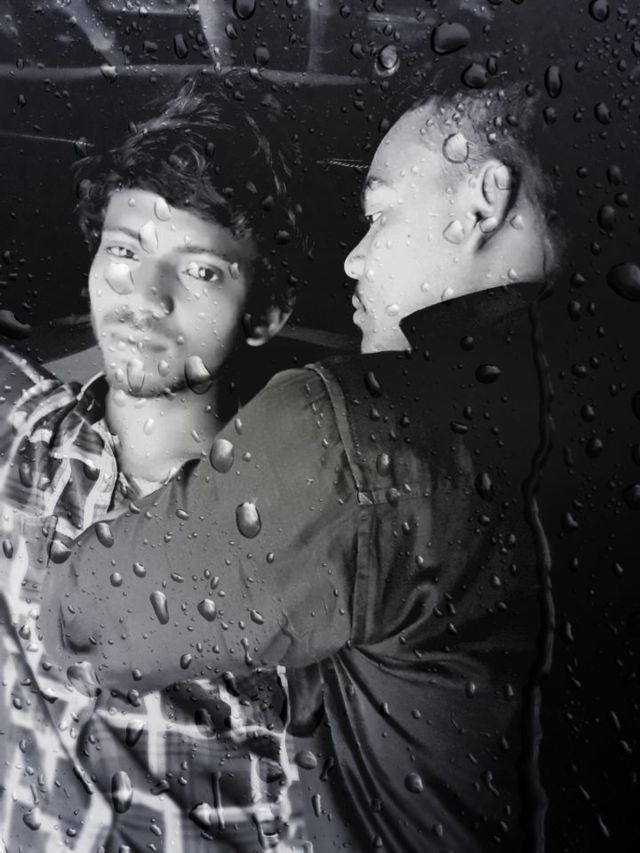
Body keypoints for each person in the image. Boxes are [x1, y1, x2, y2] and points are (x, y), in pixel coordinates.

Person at [42, 82, 561, 851]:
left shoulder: (352, 439)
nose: (357, 257)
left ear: (486, 199)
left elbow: (81, 615)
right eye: (123, 250)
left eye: (379, 214)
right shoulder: (578, 393)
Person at [0, 74, 309, 852]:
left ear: (267, 311)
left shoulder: (297, 539)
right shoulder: (25, 439)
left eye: (199, 270)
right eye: (125, 250)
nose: (145, 293)